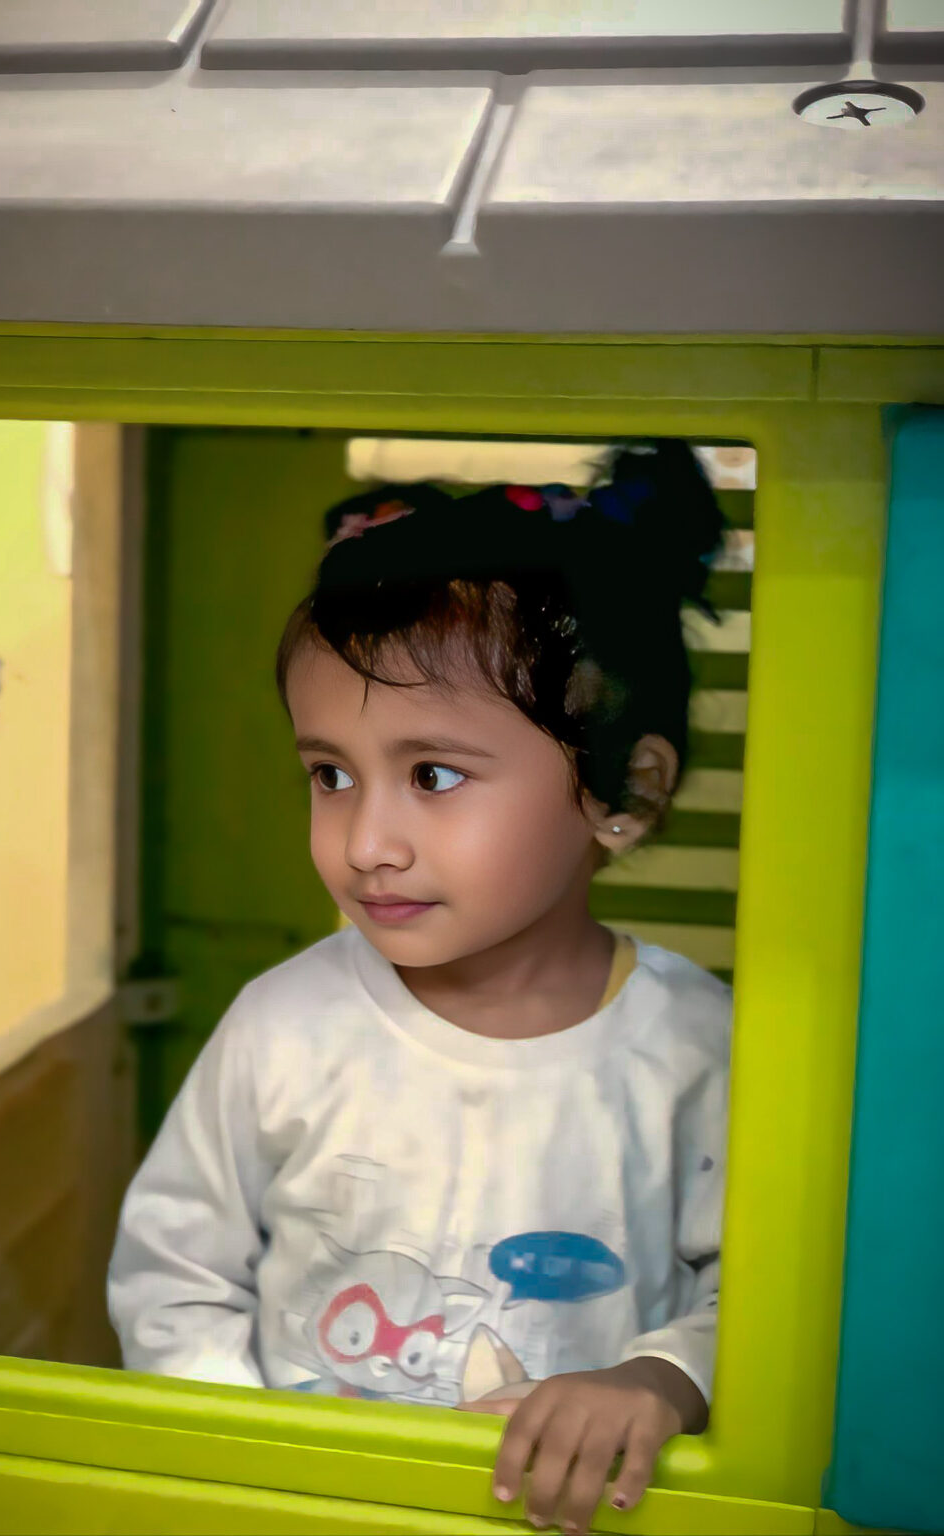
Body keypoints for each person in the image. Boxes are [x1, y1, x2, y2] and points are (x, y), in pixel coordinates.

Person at [108, 440, 732, 1535]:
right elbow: (174, 1275)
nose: (366, 843)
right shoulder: (283, 1024)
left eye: (432, 775)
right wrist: (241, 1464)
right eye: (330, 775)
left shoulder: (698, 1046)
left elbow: (765, 1302)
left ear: (622, 792)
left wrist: (658, 1380)